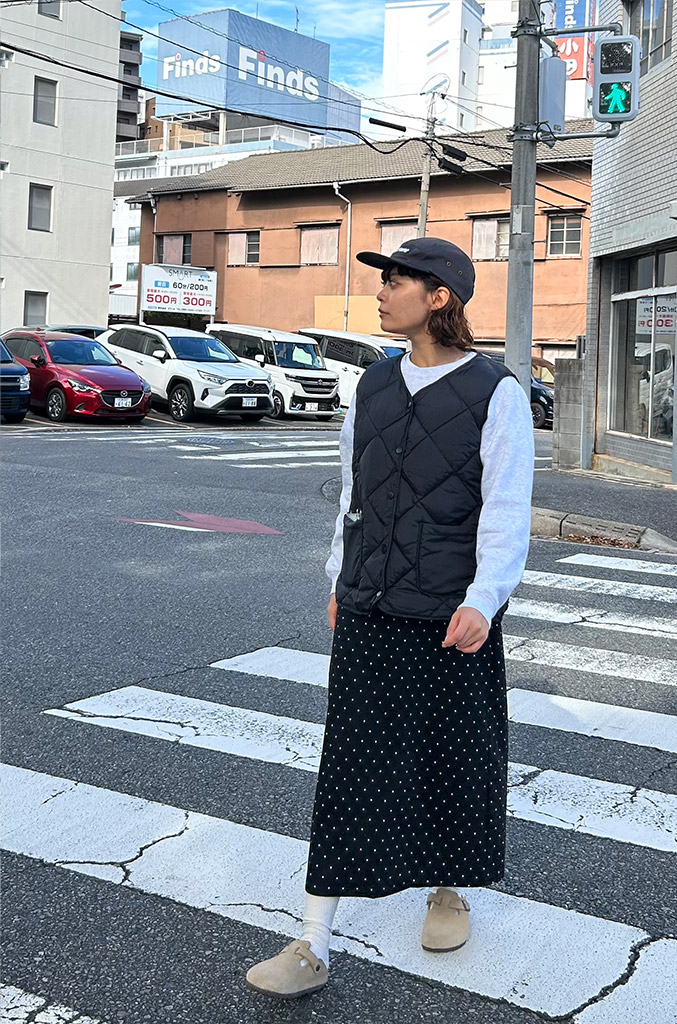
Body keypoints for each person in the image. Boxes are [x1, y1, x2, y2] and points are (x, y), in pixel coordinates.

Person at [245, 237, 534, 999]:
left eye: (398, 280)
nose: (381, 291)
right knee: (350, 767)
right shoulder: (372, 382)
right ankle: (313, 941)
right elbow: (353, 493)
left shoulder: (495, 390)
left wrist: (484, 599)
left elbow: (506, 507)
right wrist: (339, 578)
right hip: (371, 604)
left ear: (440, 297)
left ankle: (447, 889)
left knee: (452, 755)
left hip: (450, 612)